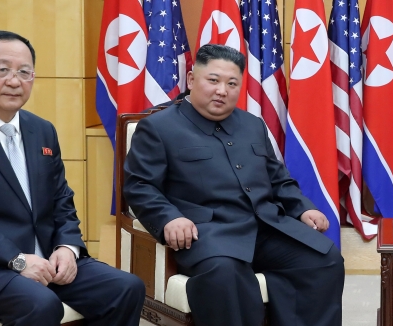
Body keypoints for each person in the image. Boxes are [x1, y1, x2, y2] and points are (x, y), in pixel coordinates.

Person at [0, 30, 145, 325]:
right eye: (2, 70)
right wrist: (17, 259)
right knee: (41, 304)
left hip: (44, 258)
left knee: (126, 288)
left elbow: (62, 199)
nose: (14, 81)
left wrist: (67, 247)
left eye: (25, 72)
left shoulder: (42, 129)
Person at [123, 44, 345, 326]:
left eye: (232, 83)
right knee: (225, 277)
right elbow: (140, 186)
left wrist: (302, 209)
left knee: (323, 260)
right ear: (192, 80)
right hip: (209, 235)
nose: (222, 91)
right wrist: (169, 218)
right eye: (213, 80)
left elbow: (278, 179)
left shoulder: (252, 124)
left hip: (265, 228)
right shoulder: (158, 128)